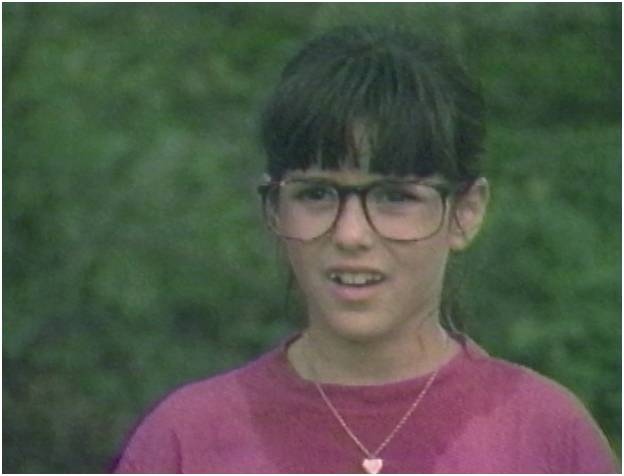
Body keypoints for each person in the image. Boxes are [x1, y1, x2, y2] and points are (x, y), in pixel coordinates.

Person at [112, 25, 617, 474]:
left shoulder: (545, 436)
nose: (351, 234)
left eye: (395, 197)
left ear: (465, 212)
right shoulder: (186, 441)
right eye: (317, 194)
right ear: (273, 209)